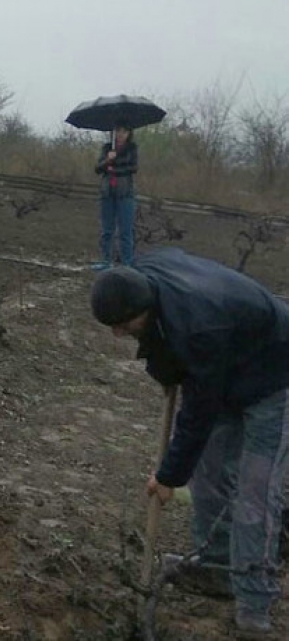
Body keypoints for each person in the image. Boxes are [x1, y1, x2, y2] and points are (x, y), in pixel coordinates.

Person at [90, 247, 289, 635]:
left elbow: (197, 413)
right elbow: (172, 354)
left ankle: (254, 598)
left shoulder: (199, 329)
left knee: (256, 493)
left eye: (123, 324)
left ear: (143, 307)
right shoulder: (144, 275)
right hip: (230, 362)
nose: (117, 333)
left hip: (275, 375)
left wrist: (168, 477)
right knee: (209, 474)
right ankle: (214, 568)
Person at [92, 124, 138, 270]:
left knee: (125, 231)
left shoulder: (132, 148)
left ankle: (127, 263)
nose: (121, 134)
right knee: (107, 230)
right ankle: (106, 260)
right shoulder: (107, 148)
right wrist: (107, 160)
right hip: (107, 193)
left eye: (124, 131)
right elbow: (98, 168)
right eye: (118, 131)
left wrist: (114, 165)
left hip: (125, 193)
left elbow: (133, 168)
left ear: (129, 133)